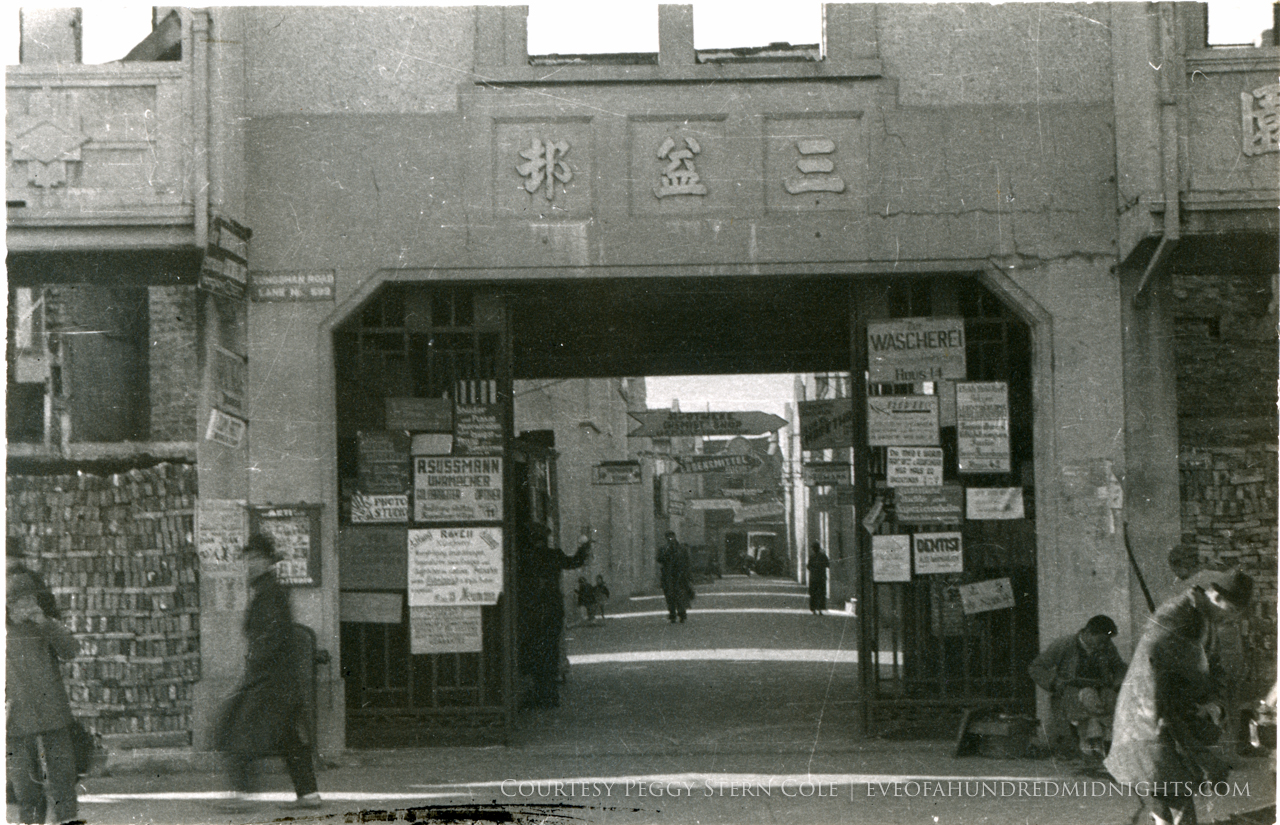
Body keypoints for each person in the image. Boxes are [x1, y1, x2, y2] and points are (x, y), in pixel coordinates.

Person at [1105, 569, 1253, 825]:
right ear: (1215, 595)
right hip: (1151, 718)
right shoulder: (1177, 617)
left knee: (1168, 798)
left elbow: (1214, 666)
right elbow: (1169, 672)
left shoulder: (1202, 616)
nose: (1229, 620)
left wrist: (1214, 703)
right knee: (1170, 795)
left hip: (1170, 718)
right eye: (1229, 612)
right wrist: (1201, 705)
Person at [214, 533, 321, 812]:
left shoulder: (270, 593)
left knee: (237, 730)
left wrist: (252, 669)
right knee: (289, 739)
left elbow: (270, 639)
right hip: (280, 682)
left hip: (269, 682)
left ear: (267, 562)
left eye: (256, 559)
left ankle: (240, 795)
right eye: (248, 559)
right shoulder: (267, 590)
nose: (250, 564)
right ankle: (309, 795)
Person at [6, 565, 80, 824]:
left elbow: (71, 650)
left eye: (30, 598)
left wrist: (46, 624)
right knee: (26, 790)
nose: (26, 605)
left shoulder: (45, 625)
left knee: (64, 784)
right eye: (19, 600)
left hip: (53, 714)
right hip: (15, 720)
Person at [1028, 614, 1127, 761]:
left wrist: (1117, 682)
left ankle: (1105, 746)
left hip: (1100, 691)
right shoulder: (1065, 644)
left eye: (1106, 642)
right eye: (1100, 641)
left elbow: (1119, 667)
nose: (1102, 646)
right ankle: (1088, 746)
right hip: (1071, 693)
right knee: (1088, 697)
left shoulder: (1107, 646)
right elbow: (1036, 667)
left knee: (1111, 699)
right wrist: (1055, 682)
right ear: (1087, 633)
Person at [518, 525, 590, 708]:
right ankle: (549, 694)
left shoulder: (523, 557)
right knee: (550, 651)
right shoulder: (553, 555)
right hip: (552, 609)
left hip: (531, 610)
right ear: (545, 538)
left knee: (533, 651)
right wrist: (583, 547)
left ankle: (538, 692)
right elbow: (575, 562)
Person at [656, 531, 693, 624]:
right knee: (669, 595)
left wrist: (688, 575)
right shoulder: (664, 549)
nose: (670, 538)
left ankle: (682, 614)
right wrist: (666, 552)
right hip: (668, 575)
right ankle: (672, 614)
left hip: (680, 575)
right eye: (668, 537)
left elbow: (687, 562)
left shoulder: (681, 548)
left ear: (675, 537)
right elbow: (659, 559)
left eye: (671, 536)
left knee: (680, 595)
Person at [806, 543, 830, 615]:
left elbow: (808, 566)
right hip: (821, 578)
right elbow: (828, 564)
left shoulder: (811, 556)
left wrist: (813, 570)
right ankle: (820, 609)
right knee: (821, 593)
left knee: (813, 594)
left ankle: (813, 609)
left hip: (813, 578)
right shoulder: (823, 556)